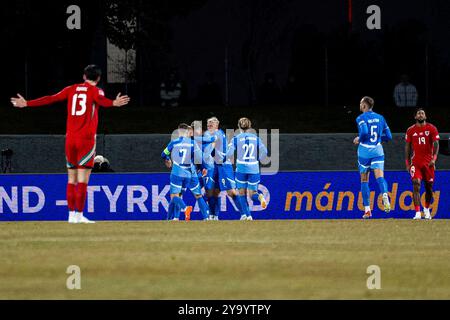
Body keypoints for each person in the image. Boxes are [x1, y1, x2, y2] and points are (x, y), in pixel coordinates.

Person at [10, 65, 130, 223]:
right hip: (86, 139)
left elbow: (50, 98)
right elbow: (102, 101)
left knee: (71, 179)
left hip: (70, 139)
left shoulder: (71, 89)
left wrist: (27, 103)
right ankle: (79, 214)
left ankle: (71, 215)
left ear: (84, 76)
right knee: (82, 180)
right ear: (99, 78)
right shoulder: (96, 91)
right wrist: (114, 103)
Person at [161, 123, 211, 221]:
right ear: (188, 131)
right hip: (189, 173)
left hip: (177, 172)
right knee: (198, 195)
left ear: (179, 131)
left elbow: (164, 154)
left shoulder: (174, 143)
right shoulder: (192, 143)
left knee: (175, 196)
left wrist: (168, 159)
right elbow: (199, 158)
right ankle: (206, 217)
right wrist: (204, 168)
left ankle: (180, 212)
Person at [353, 96, 392, 219]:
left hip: (364, 152)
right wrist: (379, 139)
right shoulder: (381, 118)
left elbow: (364, 132)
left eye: (360, 103)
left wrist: (359, 139)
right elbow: (389, 136)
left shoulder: (360, 118)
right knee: (380, 177)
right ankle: (384, 194)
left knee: (364, 180)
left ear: (364, 105)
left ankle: (368, 210)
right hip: (378, 151)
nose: (360, 105)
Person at [226, 117, 268, 220]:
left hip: (241, 169)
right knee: (253, 193)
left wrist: (222, 157)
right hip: (254, 168)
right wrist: (257, 159)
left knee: (241, 193)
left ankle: (248, 216)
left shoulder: (235, 139)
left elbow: (229, 153)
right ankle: (260, 197)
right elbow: (265, 152)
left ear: (238, 126)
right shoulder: (256, 138)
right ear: (250, 126)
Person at [204, 117, 244, 220]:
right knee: (213, 191)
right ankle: (214, 216)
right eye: (208, 124)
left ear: (217, 125)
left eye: (211, 123)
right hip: (214, 166)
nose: (209, 125)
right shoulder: (211, 134)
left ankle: (245, 215)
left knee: (231, 192)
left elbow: (212, 147)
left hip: (223, 165)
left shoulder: (218, 133)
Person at [404, 108, 440, 220]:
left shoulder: (431, 128)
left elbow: (436, 144)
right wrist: (407, 163)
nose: (421, 115)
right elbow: (408, 147)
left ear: (425, 116)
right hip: (416, 163)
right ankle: (418, 212)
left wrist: (434, 159)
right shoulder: (410, 130)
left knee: (429, 188)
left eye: (422, 113)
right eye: (419, 113)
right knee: (416, 184)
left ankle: (426, 209)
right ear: (415, 117)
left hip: (428, 164)